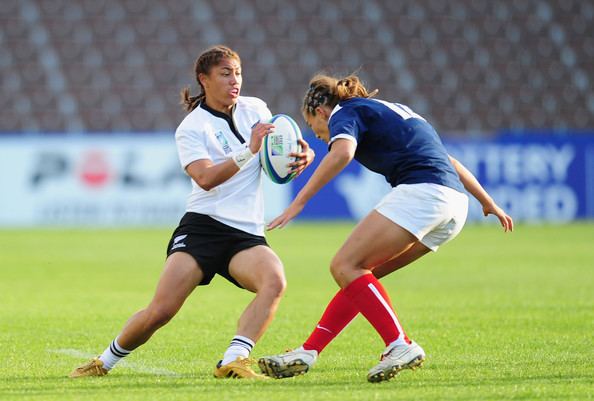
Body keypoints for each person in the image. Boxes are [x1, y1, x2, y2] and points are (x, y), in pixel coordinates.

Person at [69, 45, 314, 380]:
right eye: (225, 73)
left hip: (246, 232)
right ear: (204, 79)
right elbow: (205, 178)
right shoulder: (192, 127)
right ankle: (104, 362)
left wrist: (301, 156)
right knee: (161, 311)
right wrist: (248, 150)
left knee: (274, 281)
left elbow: (279, 152)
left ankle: (234, 359)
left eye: (238, 72)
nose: (235, 80)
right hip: (203, 229)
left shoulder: (255, 109)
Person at [258, 73, 513, 383]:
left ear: (321, 111)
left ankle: (399, 344)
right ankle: (308, 351)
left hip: (423, 193)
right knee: (362, 277)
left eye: (314, 128)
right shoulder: (386, 109)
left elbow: (342, 153)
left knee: (344, 265)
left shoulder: (344, 112)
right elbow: (449, 160)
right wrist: (487, 202)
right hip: (454, 205)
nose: (319, 136)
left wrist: (299, 202)